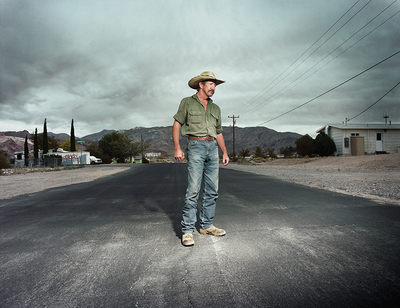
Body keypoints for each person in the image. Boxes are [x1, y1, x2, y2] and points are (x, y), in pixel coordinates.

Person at [172, 71, 229, 246]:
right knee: (193, 189)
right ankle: (188, 231)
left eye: (215, 85)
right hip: (195, 146)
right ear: (201, 85)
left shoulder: (215, 108)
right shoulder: (187, 102)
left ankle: (206, 225)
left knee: (212, 189)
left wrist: (224, 152)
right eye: (210, 84)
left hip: (213, 148)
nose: (213, 88)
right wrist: (177, 147)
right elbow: (177, 124)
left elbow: (218, 132)